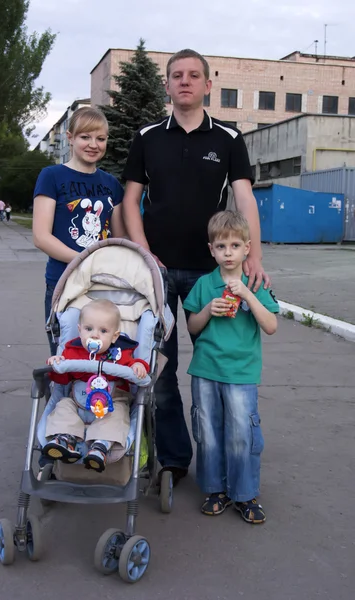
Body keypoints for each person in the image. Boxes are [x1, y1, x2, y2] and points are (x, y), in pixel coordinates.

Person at [122, 48, 271, 487]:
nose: (184, 81)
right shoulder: (148, 137)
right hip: (159, 272)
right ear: (167, 86)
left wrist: (255, 256)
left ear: (208, 84)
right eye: (176, 76)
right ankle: (173, 460)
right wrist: (145, 251)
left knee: (219, 368)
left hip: (214, 274)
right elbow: (131, 200)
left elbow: (244, 199)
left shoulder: (228, 139)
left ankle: (228, 460)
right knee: (161, 371)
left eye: (193, 75)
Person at [183, 211, 278, 523]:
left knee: (241, 434)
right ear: (212, 250)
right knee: (208, 432)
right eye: (221, 246)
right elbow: (193, 327)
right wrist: (210, 309)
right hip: (206, 370)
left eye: (235, 246)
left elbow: (271, 325)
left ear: (247, 248)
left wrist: (247, 294)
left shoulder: (255, 283)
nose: (228, 253)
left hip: (241, 373)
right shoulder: (203, 285)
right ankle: (214, 489)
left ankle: (245, 493)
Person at [33, 107, 126, 356]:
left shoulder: (111, 184)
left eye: (101, 138)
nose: (93, 144)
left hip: (103, 285)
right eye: (85, 137)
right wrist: (83, 260)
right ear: (70, 137)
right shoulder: (51, 176)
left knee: (104, 362)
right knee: (67, 358)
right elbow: (41, 237)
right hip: (64, 283)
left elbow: (119, 239)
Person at [43, 299, 149, 472]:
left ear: (115, 336)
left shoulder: (120, 354)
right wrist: (57, 364)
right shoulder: (72, 351)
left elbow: (134, 369)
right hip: (78, 402)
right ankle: (65, 439)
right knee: (63, 406)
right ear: (79, 330)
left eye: (103, 331)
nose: (94, 335)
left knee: (118, 415)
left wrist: (138, 367)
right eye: (88, 329)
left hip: (110, 405)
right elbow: (61, 380)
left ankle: (100, 446)